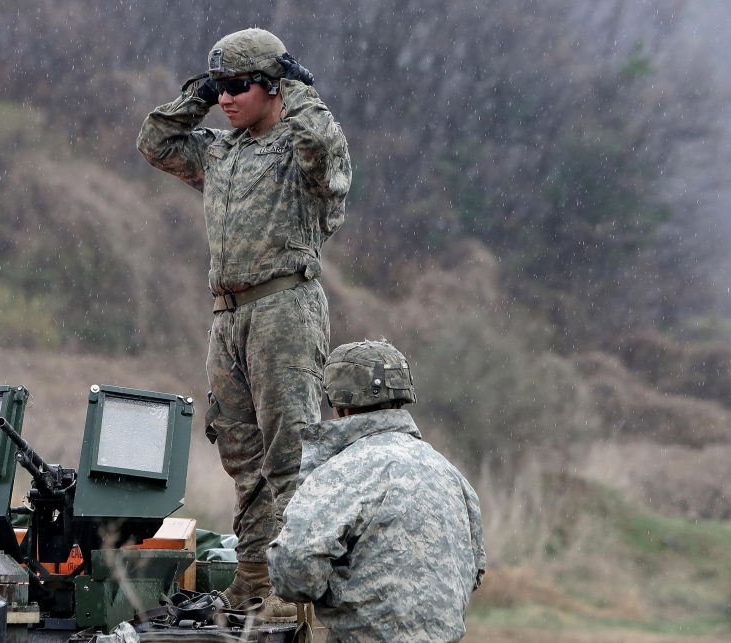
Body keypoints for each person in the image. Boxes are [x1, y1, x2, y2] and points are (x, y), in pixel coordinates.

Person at [137, 28, 351, 621]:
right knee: (240, 453)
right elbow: (155, 141)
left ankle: (293, 584)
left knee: (291, 454)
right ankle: (254, 576)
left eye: (237, 86)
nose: (226, 98)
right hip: (228, 315)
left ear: (273, 86)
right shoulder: (221, 151)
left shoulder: (297, 149)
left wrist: (300, 89)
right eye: (220, 86)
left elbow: (325, 153)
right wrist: (198, 94)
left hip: (284, 307)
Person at [268, 340, 486, 642]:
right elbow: (474, 570)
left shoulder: (342, 471)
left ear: (340, 406)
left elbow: (293, 571)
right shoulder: (452, 474)